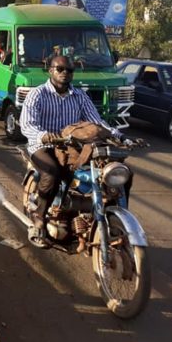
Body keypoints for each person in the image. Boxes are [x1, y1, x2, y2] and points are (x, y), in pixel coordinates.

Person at [20, 55, 124, 248]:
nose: (65, 73)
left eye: (69, 70)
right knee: (51, 172)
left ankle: (114, 216)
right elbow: (26, 125)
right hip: (43, 146)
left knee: (117, 172)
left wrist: (119, 136)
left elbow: (96, 122)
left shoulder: (80, 96)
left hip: (71, 146)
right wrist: (43, 136)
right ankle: (39, 218)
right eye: (60, 69)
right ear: (50, 70)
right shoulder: (38, 94)